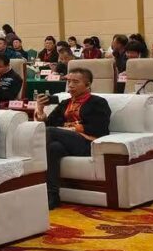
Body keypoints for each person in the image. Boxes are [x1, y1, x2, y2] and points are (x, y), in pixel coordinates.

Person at [36, 67, 111, 209]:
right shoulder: (65, 103)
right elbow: (49, 124)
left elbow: (100, 129)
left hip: (88, 142)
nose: (70, 85)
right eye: (69, 82)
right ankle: (52, 196)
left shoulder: (98, 102)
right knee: (53, 148)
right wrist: (40, 110)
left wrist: (72, 128)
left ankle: (31, 175)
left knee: (49, 132)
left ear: (88, 85)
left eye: (75, 82)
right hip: (68, 142)